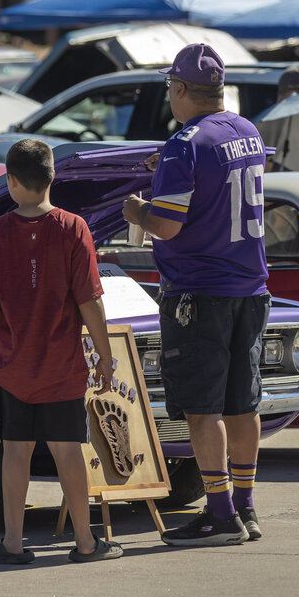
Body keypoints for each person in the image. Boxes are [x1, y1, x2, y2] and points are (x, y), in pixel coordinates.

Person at [122, 43, 269, 547]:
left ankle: (221, 514)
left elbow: (165, 224)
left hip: (198, 292)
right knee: (242, 404)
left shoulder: (186, 144)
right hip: (249, 286)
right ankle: (245, 506)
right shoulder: (247, 132)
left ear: (181, 90)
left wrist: (137, 210)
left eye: (170, 87)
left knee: (204, 410)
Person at [0, 139, 122, 564]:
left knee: (16, 450)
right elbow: (90, 300)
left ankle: (14, 543)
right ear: (54, 176)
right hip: (63, 364)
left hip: (12, 364)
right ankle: (86, 543)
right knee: (68, 450)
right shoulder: (74, 228)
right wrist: (105, 357)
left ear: (10, 180)